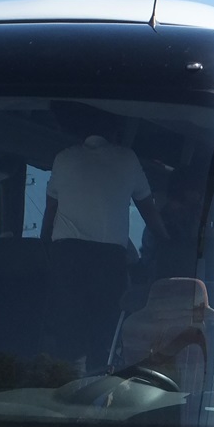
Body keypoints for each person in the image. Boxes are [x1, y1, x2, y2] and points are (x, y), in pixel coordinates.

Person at [41, 108, 169, 371]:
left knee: (68, 329)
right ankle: (98, 383)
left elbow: (50, 214)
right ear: (115, 131)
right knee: (104, 332)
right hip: (108, 261)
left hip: (67, 257)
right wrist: (171, 243)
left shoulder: (63, 158)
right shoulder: (127, 158)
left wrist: (44, 250)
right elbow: (150, 213)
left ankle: (65, 380)